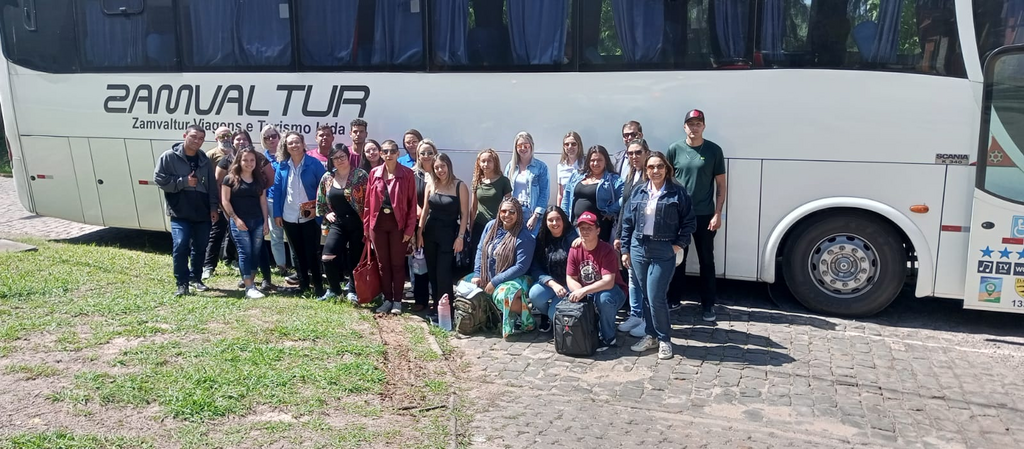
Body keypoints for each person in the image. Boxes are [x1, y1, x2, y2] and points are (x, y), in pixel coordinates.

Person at [621, 151, 696, 360]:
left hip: (663, 249)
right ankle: (651, 335)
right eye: (651, 167)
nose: (656, 171)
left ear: (667, 169)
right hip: (638, 248)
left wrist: (678, 245)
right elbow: (627, 222)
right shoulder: (638, 192)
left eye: (660, 167)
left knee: (656, 296)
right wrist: (625, 249)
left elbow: (689, 222)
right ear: (646, 170)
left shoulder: (677, 193)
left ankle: (664, 339)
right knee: (645, 295)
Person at [665, 109, 727, 322]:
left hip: (705, 214)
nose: (694, 127)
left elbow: (721, 184)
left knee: (706, 260)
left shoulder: (713, 150)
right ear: (685, 127)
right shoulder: (674, 149)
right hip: (679, 214)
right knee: (678, 258)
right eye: (690, 123)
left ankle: (708, 304)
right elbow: (667, 181)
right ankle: (674, 299)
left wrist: (718, 213)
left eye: (698, 123)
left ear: (704, 126)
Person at [153, 125, 219, 296]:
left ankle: (195, 278)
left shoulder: (203, 159)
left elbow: (212, 186)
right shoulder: (169, 157)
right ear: (185, 135)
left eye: (201, 138)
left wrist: (213, 207)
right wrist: (183, 182)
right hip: (179, 211)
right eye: (194, 137)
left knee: (201, 246)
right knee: (181, 244)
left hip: (202, 211)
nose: (197, 141)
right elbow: (159, 179)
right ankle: (182, 283)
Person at [469, 197, 536, 338]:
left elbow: (521, 267)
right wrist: (477, 274)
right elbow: (481, 250)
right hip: (489, 274)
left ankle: (528, 320)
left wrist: (495, 282)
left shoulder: (524, 236)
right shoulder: (491, 226)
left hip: (519, 277)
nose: (507, 215)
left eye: (511, 212)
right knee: (465, 285)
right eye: (503, 211)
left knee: (503, 295)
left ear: (518, 213)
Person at [364, 139, 418, 315]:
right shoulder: (374, 173)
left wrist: (409, 230)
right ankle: (387, 299)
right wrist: (367, 228)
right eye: (385, 151)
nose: (389, 154)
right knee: (382, 264)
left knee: (397, 264)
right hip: (377, 225)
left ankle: (397, 301)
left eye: (392, 151)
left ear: (397, 153)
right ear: (381, 154)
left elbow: (412, 204)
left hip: (398, 226)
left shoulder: (407, 174)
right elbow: (367, 203)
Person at [217, 131, 275, 291]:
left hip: (257, 221)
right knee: (244, 253)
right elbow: (225, 201)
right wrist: (235, 219)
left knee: (255, 253)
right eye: (245, 160)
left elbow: (263, 202)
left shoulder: (259, 180)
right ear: (239, 161)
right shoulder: (230, 179)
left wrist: (265, 222)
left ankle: (251, 280)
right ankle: (249, 287)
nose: (249, 163)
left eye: (252, 160)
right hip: (239, 222)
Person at [272, 131, 328, 297]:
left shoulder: (314, 164)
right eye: (290, 143)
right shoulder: (282, 166)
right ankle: (303, 286)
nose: (294, 145)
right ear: (286, 147)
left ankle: (318, 286)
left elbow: (323, 188)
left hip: (310, 217)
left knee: (312, 252)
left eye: (297, 142)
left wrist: (320, 211)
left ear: (303, 144)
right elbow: (277, 193)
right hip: (289, 216)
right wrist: (277, 214)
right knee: (297, 253)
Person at [417, 151, 470, 318]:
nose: (440, 170)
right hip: (430, 233)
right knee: (432, 271)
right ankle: (435, 305)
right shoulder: (431, 185)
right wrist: (419, 233)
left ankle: (447, 309)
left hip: (448, 236)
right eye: (437, 167)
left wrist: (460, 237)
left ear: (449, 166)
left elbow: (464, 214)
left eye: (442, 166)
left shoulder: (459, 186)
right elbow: (425, 211)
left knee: (444, 273)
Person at [567, 211, 628, 351]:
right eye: (582, 228)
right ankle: (583, 334)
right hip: (588, 291)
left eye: (589, 228)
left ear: (598, 230)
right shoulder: (574, 249)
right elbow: (570, 277)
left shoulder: (606, 250)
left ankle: (608, 338)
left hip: (614, 291)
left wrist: (584, 291)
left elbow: (608, 282)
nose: (585, 232)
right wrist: (579, 292)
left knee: (604, 299)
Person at [316, 144, 368, 303]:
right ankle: (334, 290)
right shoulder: (327, 177)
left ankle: (353, 290)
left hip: (357, 222)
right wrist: (327, 213)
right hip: (338, 223)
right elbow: (321, 201)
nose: (339, 160)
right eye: (335, 158)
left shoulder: (360, 175)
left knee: (355, 258)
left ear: (348, 156)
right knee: (327, 256)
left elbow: (370, 200)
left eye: (342, 156)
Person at [615, 139, 652, 338]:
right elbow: (625, 208)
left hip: (646, 236)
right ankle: (636, 314)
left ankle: (648, 320)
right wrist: (620, 234)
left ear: (646, 152)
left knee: (645, 280)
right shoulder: (630, 175)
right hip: (631, 235)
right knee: (632, 278)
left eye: (638, 153)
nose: (634, 157)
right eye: (630, 154)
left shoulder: (650, 176)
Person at [528, 206, 578, 333]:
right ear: (546, 222)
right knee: (534, 294)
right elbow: (535, 268)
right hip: (551, 283)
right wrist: (551, 283)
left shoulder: (573, 238)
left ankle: (550, 315)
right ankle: (547, 313)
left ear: (563, 220)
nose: (554, 223)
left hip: (570, 284)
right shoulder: (541, 239)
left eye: (558, 219)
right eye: (551, 220)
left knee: (554, 314)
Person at [560, 145, 622, 243]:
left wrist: (610, 210)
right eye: (592, 160)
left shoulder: (613, 179)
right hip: (576, 225)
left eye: (599, 160)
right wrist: (564, 217)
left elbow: (624, 197)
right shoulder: (577, 175)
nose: (595, 163)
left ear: (606, 161)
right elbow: (566, 196)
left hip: (598, 227)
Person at [201, 127, 237, 280]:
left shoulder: (237, 154)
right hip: (219, 201)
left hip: (236, 200)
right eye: (222, 136)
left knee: (234, 233)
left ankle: (230, 259)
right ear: (216, 138)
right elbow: (210, 181)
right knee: (216, 234)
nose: (226, 138)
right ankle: (208, 266)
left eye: (228, 135)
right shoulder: (211, 155)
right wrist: (216, 204)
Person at [469, 149, 512, 265]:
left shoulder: (503, 181)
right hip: (480, 225)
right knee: (478, 258)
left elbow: (509, 205)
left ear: (495, 163)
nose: (486, 164)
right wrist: (471, 228)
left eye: (489, 161)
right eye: (483, 161)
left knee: (494, 258)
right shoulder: (477, 181)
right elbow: (473, 207)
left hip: (497, 226)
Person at [410, 140, 438, 312]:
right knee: (419, 263)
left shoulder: (441, 171)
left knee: (435, 265)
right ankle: (420, 299)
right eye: (423, 153)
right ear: (418, 156)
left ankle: (437, 299)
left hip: (437, 224)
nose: (426, 156)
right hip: (419, 224)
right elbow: (409, 199)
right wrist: (419, 210)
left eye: (429, 152)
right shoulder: (413, 175)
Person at [260, 125, 291, 277]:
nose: (271, 139)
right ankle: (281, 266)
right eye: (267, 137)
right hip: (271, 200)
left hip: (289, 200)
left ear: (279, 137)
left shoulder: (287, 155)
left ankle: (296, 265)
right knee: (275, 235)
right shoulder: (262, 158)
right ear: (263, 141)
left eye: (273, 136)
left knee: (292, 235)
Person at [504, 132, 549, 236]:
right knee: (512, 243)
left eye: (526, 145)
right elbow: (505, 192)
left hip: (530, 212)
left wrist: (536, 216)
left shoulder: (541, 167)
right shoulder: (510, 167)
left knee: (530, 243)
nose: (523, 148)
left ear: (531, 146)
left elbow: (544, 193)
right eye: (520, 145)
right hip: (513, 211)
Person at [555, 131, 583, 207]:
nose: (570, 147)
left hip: (581, 206)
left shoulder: (586, 164)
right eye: (567, 144)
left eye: (573, 144)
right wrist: (559, 211)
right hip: (566, 207)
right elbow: (560, 194)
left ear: (579, 146)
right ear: (564, 147)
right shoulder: (560, 166)